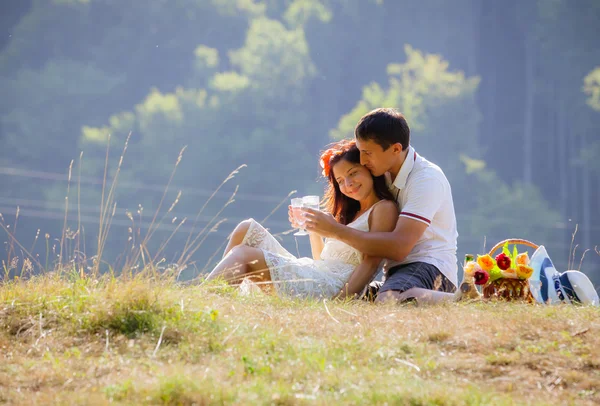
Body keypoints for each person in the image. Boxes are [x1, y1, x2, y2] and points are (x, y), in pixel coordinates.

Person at [202, 139, 399, 299]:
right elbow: (323, 261)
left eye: (353, 173)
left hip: (332, 287)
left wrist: (340, 302)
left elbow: (371, 264)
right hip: (317, 273)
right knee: (246, 228)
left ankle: (205, 302)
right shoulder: (351, 214)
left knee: (245, 254)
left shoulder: (383, 208)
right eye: (340, 181)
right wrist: (314, 229)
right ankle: (215, 298)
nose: (348, 184)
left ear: (368, 169)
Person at [303, 108, 458, 304]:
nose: (362, 160)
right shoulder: (381, 173)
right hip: (395, 271)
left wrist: (335, 231)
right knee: (356, 299)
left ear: (395, 149)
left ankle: (466, 302)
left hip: (429, 266)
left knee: (388, 300)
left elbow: (399, 248)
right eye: (360, 152)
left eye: (367, 153)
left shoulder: (426, 180)